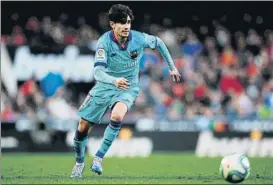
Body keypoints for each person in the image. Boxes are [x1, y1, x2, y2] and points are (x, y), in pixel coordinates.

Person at [70, 4, 181, 178]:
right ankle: (79, 163)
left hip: (128, 87)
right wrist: (114, 80)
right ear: (112, 24)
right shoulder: (103, 42)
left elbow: (158, 43)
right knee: (82, 127)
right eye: (122, 22)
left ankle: (98, 158)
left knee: (117, 116)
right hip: (105, 85)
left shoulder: (139, 38)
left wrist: (172, 67)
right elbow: (97, 72)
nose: (126, 26)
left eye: (128, 22)